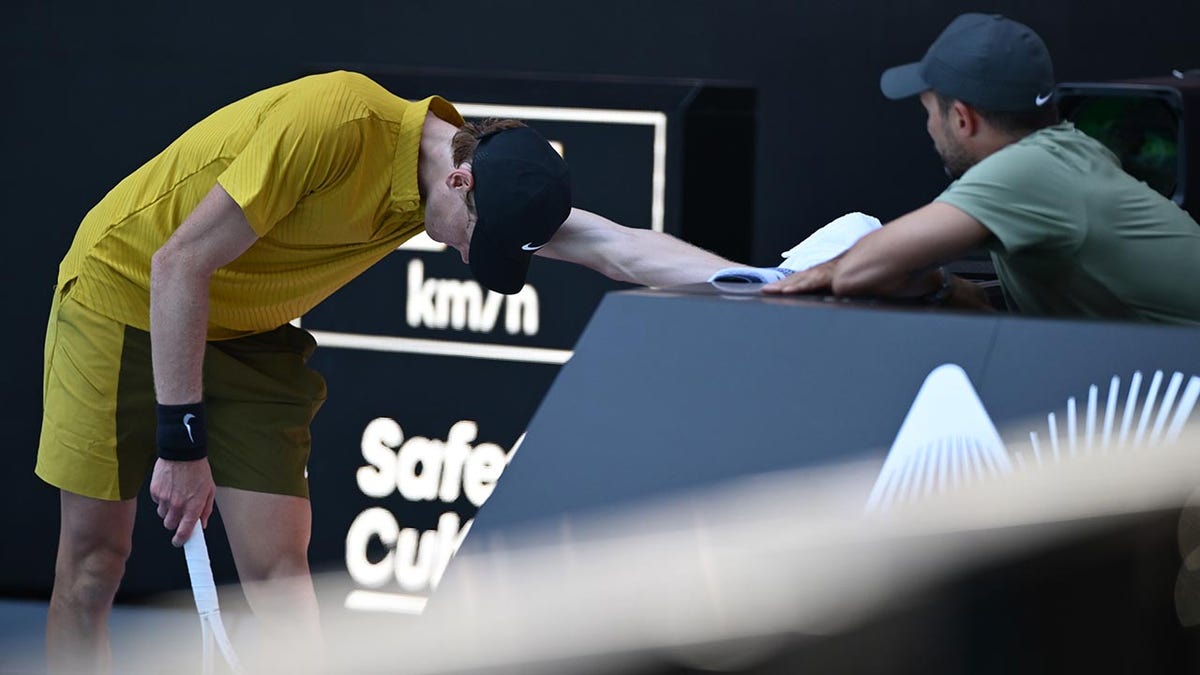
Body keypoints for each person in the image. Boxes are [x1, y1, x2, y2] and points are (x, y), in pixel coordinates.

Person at [37, 69, 737, 673]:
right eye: (476, 238)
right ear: (459, 179)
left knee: (281, 574)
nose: (469, 256)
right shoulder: (333, 123)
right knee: (96, 559)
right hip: (127, 293)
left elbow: (617, 245)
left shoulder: (476, 178)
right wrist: (183, 443)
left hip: (247, 327)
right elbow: (178, 264)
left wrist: (772, 277)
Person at [763, 13, 1200, 325]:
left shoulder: (1027, 170)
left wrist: (831, 268)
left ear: (962, 119)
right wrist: (939, 286)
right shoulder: (1066, 153)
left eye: (928, 110)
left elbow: (862, 270)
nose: (929, 127)